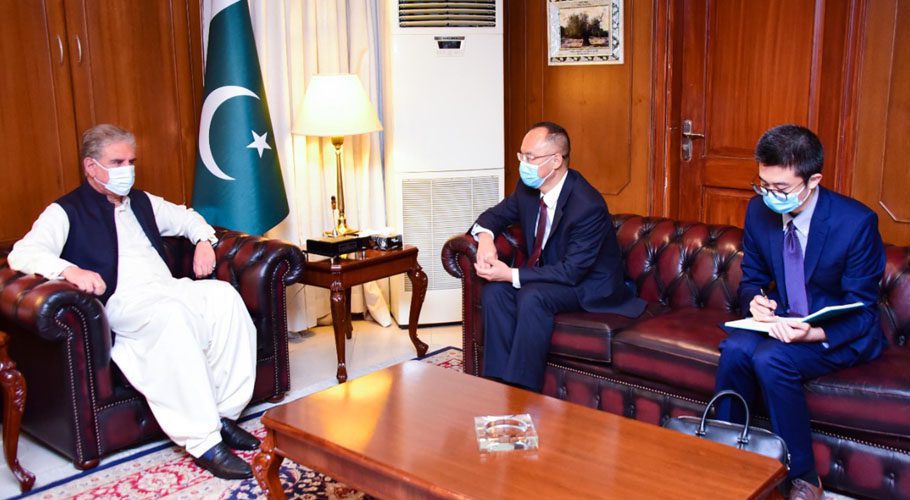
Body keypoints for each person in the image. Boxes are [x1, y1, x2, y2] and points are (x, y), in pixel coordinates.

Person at [8, 124, 260, 480]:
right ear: (91, 167)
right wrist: (69, 270)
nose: (128, 169)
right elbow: (24, 253)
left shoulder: (141, 201)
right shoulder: (65, 211)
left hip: (167, 288)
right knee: (172, 317)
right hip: (124, 301)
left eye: (131, 160)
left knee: (225, 299)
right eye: (117, 161)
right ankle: (204, 441)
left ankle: (223, 416)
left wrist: (203, 239)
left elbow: (187, 217)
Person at [715, 124, 886, 500]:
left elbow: (863, 310)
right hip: (784, 320)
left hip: (841, 331)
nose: (769, 196)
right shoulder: (759, 210)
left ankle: (804, 477)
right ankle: (725, 455)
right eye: (763, 185)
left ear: (814, 180)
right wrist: (755, 302)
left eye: (781, 189)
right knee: (735, 349)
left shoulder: (855, 223)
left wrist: (812, 333)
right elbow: (753, 279)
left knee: (772, 359)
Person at [471, 121, 645, 391]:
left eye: (530, 158)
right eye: (521, 156)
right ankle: (496, 386)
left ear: (555, 161)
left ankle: (522, 393)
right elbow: (493, 216)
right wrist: (485, 240)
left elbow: (571, 272)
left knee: (532, 296)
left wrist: (510, 273)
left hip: (587, 286)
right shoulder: (528, 190)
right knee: (495, 292)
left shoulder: (587, 205)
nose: (523, 164)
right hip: (548, 277)